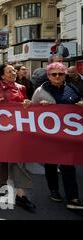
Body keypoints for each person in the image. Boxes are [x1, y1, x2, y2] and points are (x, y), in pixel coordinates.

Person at [32, 62, 83, 210]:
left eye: (60, 74)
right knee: (51, 164)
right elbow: (30, 111)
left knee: (68, 164)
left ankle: (73, 197)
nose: (57, 77)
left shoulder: (72, 89)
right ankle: (54, 190)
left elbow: (78, 103)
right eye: (54, 74)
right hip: (49, 135)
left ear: (64, 75)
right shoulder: (40, 91)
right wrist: (40, 107)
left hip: (67, 135)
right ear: (48, 76)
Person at [0, 63, 36, 212]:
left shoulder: (22, 88)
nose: (14, 73)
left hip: (17, 132)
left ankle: (21, 196)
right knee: (2, 162)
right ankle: (4, 185)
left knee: (18, 162)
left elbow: (25, 105)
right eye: (10, 71)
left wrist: (28, 104)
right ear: (2, 75)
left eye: (14, 71)